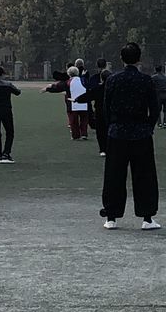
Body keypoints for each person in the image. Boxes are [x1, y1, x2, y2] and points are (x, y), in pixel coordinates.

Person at [100, 41, 161, 230]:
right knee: (145, 175)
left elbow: (106, 106)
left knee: (113, 175)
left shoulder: (112, 80)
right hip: (140, 134)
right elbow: (155, 106)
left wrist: (112, 125)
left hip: (117, 133)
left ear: (121, 59)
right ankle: (147, 217)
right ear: (139, 59)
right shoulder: (146, 80)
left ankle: (111, 216)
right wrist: (149, 126)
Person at [88, 58, 109, 156]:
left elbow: (90, 91)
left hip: (99, 107)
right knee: (109, 128)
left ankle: (102, 149)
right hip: (110, 108)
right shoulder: (112, 76)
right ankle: (109, 148)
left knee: (100, 130)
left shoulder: (93, 78)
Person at [67, 66, 89, 140]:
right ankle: (84, 134)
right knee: (84, 120)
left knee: (74, 121)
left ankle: (76, 135)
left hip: (74, 104)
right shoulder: (83, 80)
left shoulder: (69, 82)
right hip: (84, 103)